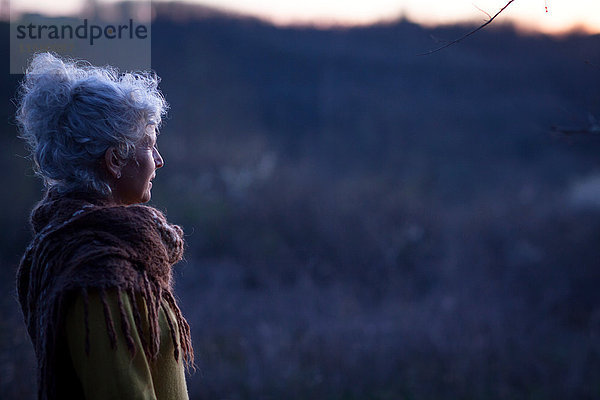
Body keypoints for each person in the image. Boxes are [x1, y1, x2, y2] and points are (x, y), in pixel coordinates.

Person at [15, 52, 194, 400]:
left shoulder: (83, 245)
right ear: (114, 160)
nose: (159, 160)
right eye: (149, 145)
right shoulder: (100, 270)